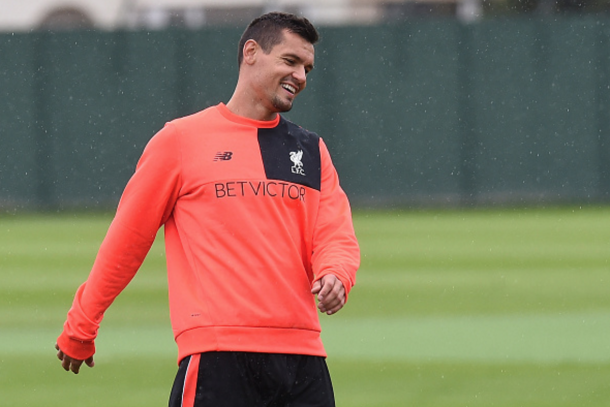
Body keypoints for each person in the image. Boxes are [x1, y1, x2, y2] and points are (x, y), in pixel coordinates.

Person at [55, 11, 360, 407]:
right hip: (219, 356)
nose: (301, 76)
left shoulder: (310, 150)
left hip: (303, 361)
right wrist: (82, 325)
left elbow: (335, 234)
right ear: (251, 52)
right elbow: (127, 241)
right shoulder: (181, 141)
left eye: (307, 68)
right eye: (290, 61)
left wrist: (336, 273)